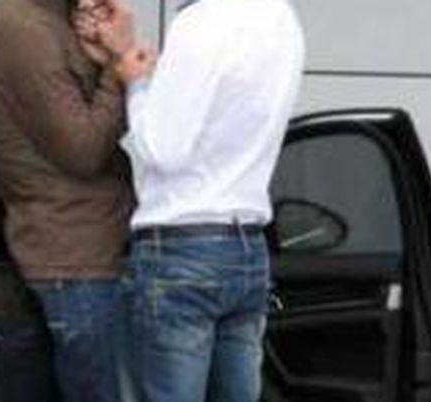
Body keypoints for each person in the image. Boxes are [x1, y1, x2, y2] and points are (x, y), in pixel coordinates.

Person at [78, 0, 306, 400]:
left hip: (180, 252)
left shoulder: (199, 23)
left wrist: (138, 84)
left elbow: (162, 148)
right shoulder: (282, 20)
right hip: (248, 247)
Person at [0, 0, 135, 401]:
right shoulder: (24, 28)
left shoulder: (48, 20)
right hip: (76, 260)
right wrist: (118, 70)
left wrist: (102, 63)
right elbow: (84, 150)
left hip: (89, 255)